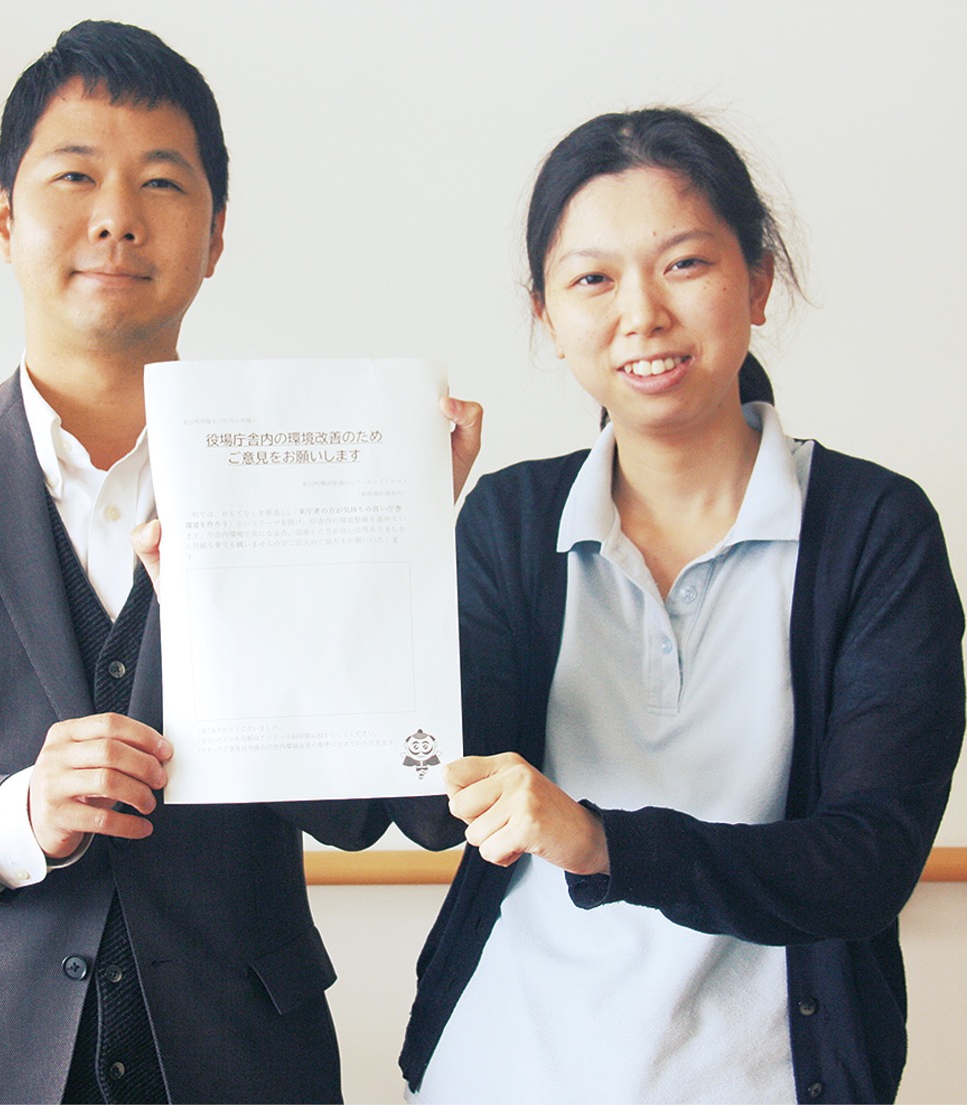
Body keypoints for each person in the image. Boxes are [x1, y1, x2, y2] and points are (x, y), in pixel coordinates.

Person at [0, 20, 474, 1105]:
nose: (116, 216)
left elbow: (394, 812)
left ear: (217, 234)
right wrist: (17, 814)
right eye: (74, 175)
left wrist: (399, 552)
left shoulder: (314, 478)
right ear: (3, 214)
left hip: (239, 1062)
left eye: (161, 182)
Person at [400, 107, 964, 1104]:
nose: (643, 314)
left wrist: (603, 842)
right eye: (592, 280)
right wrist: (393, 544)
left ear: (759, 280)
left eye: (685, 264)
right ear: (547, 316)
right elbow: (422, 801)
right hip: (500, 1070)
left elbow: (868, 862)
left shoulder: (873, 528)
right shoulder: (510, 519)